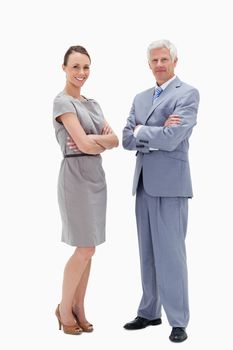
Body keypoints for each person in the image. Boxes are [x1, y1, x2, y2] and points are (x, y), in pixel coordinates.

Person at [122, 39, 199, 342]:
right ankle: (149, 312)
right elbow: (127, 138)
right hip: (143, 183)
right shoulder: (140, 97)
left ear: (175, 61)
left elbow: (173, 137)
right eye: (154, 60)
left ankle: (178, 320)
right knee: (147, 253)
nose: (159, 65)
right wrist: (149, 132)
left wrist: (144, 131)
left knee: (171, 254)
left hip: (170, 184)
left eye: (164, 59)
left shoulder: (188, 93)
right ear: (149, 64)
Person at [53, 45, 119, 335]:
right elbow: (82, 145)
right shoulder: (62, 102)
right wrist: (97, 141)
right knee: (84, 248)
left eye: (86, 67)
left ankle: (80, 307)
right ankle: (64, 308)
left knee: (90, 250)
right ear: (64, 68)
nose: (81, 73)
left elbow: (115, 139)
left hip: (97, 178)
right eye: (76, 66)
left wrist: (98, 141)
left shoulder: (93, 104)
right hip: (75, 177)